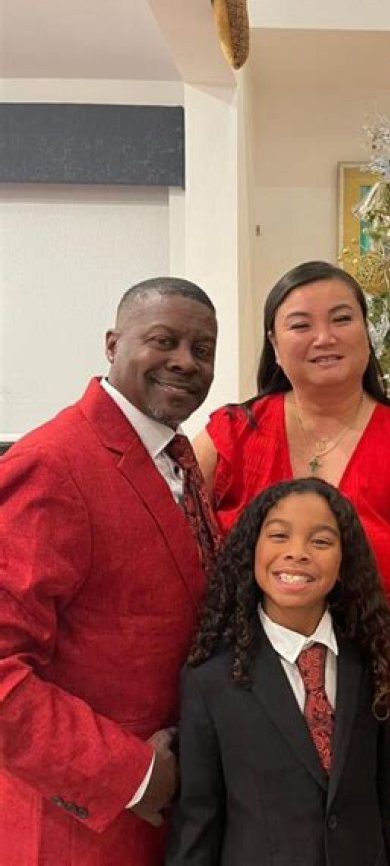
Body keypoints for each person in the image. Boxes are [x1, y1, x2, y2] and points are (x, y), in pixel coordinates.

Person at [193, 261, 390, 829]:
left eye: (342, 319)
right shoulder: (232, 433)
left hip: (362, 717)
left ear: (366, 331)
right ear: (274, 342)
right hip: (236, 710)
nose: (324, 337)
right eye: (301, 324)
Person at [0, 277, 219, 865]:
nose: (185, 361)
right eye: (164, 341)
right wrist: (132, 775)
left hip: (163, 826)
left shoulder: (176, 458)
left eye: (202, 349)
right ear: (112, 343)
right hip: (78, 832)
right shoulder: (53, 464)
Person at [166, 477, 390, 866]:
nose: (297, 553)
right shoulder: (210, 680)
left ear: (344, 562)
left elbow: (388, 805)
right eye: (278, 535)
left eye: (320, 541)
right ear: (252, 549)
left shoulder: (371, 660)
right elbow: (198, 821)